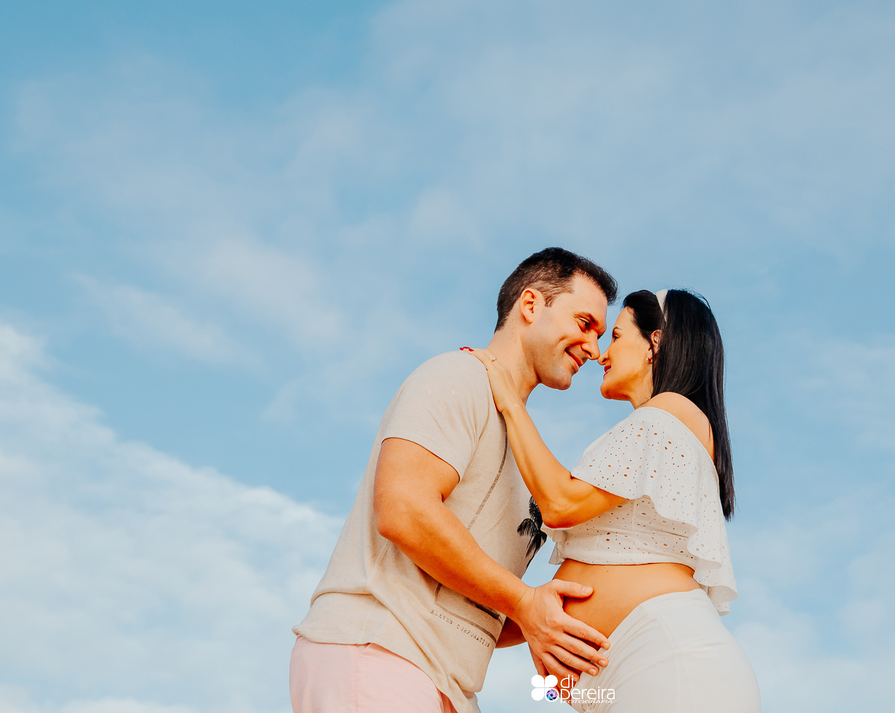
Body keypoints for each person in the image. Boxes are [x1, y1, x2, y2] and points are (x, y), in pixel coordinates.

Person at [290, 247, 621, 713]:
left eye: (601, 334)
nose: (593, 347)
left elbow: (489, 602)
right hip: (380, 648)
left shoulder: (525, 457)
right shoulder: (459, 375)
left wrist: (541, 616)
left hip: (447, 682)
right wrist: (525, 602)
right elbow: (403, 509)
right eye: (584, 323)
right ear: (530, 306)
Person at [465, 288, 761, 712]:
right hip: (632, 677)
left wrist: (509, 399)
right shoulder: (662, 434)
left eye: (617, 336)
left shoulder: (670, 411)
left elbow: (560, 504)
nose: (602, 354)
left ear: (654, 343)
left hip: (669, 666)